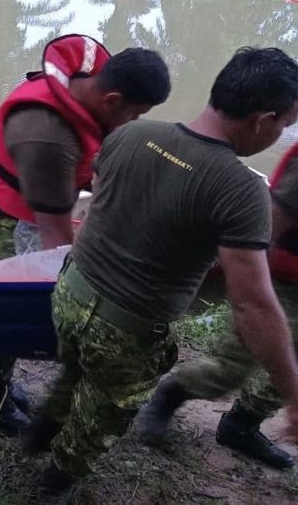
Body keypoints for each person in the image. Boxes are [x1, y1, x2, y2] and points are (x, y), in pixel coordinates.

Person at [32, 47, 298, 504]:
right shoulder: (242, 191)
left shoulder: (131, 133)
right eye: (283, 124)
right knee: (102, 417)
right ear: (262, 120)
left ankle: (42, 429)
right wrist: (294, 393)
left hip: (70, 295)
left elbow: (113, 203)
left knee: (75, 368)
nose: (280, 134)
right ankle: (56, 481)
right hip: (126, 333)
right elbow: (252, 304)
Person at [0, 34, 170, 433]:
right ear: (111, 99)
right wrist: (81, 297)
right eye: (134, 114)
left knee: (13, 303)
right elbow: (56, 239)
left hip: (25, 199)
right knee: (10, 307)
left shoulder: (87, 82)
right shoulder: (49, 138)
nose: (134, 123)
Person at [141, 138, 298, 469]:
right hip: (283, 276)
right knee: (234, 365)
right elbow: (273, 220)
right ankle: (171, 394)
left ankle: (241, 425)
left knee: (291, 366)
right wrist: (247, 282)